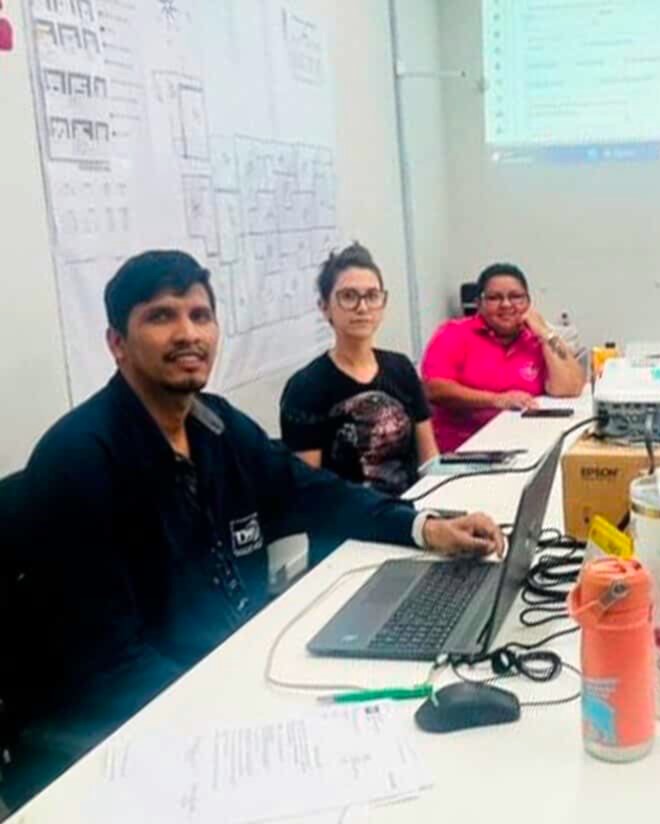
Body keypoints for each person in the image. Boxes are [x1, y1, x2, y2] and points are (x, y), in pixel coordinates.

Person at [17, 250, 504, 762]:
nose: (188, 334)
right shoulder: (80, 459)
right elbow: (109, 665)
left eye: (200, 315)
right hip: (145, 727)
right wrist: (249, 715)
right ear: (117, 342)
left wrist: (425, 527)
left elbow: (316, 494)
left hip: (238, 669)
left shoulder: (215, 424)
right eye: (161, 316)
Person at [280, 244, 436, 495]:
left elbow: (429, 459)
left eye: (372, 296)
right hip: (345, 516)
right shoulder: (306, 387)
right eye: (348, 296)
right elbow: (308, 491)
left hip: (414, 508)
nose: (362, 308)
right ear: (324, 306)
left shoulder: (401, 369)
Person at [421, 263, 586, 452]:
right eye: (494, 298)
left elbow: (570, 388)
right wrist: (496, 400)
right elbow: (434, 389)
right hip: (463, 452)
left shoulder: (536, 339)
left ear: (528, 303)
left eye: (516, 297)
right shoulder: (453, 333)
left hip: (527, 447)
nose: (506, 304)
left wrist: (546, 333)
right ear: (479, 303)